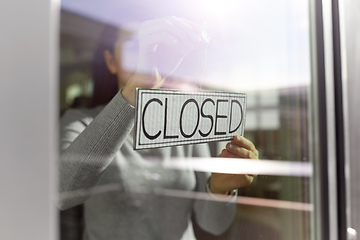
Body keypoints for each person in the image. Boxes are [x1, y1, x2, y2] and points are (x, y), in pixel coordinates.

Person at [58, 16, 259, 240]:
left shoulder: (187, 123)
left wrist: (220, 190)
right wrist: (138, 87)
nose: (147, 54)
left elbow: (214, 225)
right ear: (110, 61)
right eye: (135, 46)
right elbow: (64, 193)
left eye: (155, 46)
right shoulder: (82, 121)